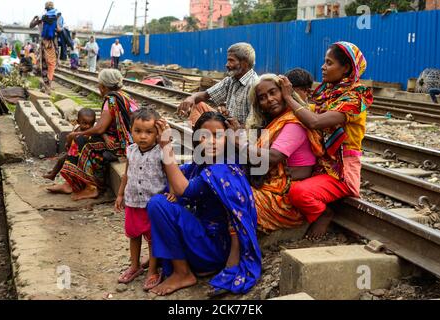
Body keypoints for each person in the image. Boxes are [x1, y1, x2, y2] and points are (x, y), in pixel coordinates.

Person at [146, 112, 261, 296]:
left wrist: (167, 147)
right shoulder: (202, 164)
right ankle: (173, 260)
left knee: (158, 204)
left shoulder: (223, 169)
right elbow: (173, 178)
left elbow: (185, 190)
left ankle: (182, 273)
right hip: (203, 240)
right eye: (204, 136)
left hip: (214, 250)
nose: (211, 141)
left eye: (218, 136)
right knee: (163, 198)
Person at [283, 41, 373, 239]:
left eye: (329, 63)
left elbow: (315, 121)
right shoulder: (329, 94)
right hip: (323, 164)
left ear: (347, 68)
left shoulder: (355, 98)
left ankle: (324, 213)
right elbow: (307, 110)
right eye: (324, 62)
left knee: (297, 192)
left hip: (341, 171)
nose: (323, 67)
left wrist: (288, 97)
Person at [229, 74, 323, 232]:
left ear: (284, 92)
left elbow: (273, 157)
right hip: (271, 187)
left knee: (230, 197)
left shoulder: (293, 123)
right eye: (263, 97)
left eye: (273, 92)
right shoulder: (275, 121)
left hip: (285, 200)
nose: (270, 99)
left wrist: (239, 143)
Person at [47, 69, 139, 200]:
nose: (98, 87)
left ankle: (91, 187)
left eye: (99, 84)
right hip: (127, 140)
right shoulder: (124, 95)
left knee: (81, 141)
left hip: (121, 145)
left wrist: (77, 133)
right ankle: (71, 184)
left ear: (103, 86)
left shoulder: (111, 100)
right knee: (82, 139)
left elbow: (100, 128)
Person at [114, 108, 165, 290]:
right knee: (133, 235)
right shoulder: (131, 150)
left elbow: (170, 173)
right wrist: (120, 194)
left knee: (153, 239)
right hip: (133, 202)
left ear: (157, 133)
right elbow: (126, 175)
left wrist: (173, 191)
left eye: (149, 132)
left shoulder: (161, 151)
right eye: (138, 131)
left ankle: (152, 270)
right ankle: (134, 266)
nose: (143, 136)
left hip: (152, 205)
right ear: (131, 131)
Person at [178, 43, 258, 126]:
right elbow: (205, 95)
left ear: (244, 63)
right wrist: (191, 98)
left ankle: (201, 137)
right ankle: (199, 136)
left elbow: (254, 125)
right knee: (198, 104)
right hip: (228, 125)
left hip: (241, 133)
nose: (227, 64)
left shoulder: (254, 86)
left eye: (231, 60)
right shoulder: (231, 80)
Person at [43, 108, 96, 181]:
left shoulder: (91, 131)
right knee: (60, 160)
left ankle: (54, 174)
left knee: (63, 160)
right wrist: (67, 143)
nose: (88, 126)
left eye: (91, 124)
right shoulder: (77, 128)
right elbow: (70, 137)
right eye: (85, 123)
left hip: (82, 154)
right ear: (78, 122)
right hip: (74, 152)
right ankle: (53, 174)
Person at [29, 1, 60, 94]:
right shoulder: (55, 16)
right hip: (51, 42)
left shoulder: (41, 17)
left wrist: (34, 18)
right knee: (52, 63)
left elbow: (31, 26)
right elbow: (58, 29)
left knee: (44, 64)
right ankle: (48, 86)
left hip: (43, 42)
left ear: (45, 8)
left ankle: (47, 85)